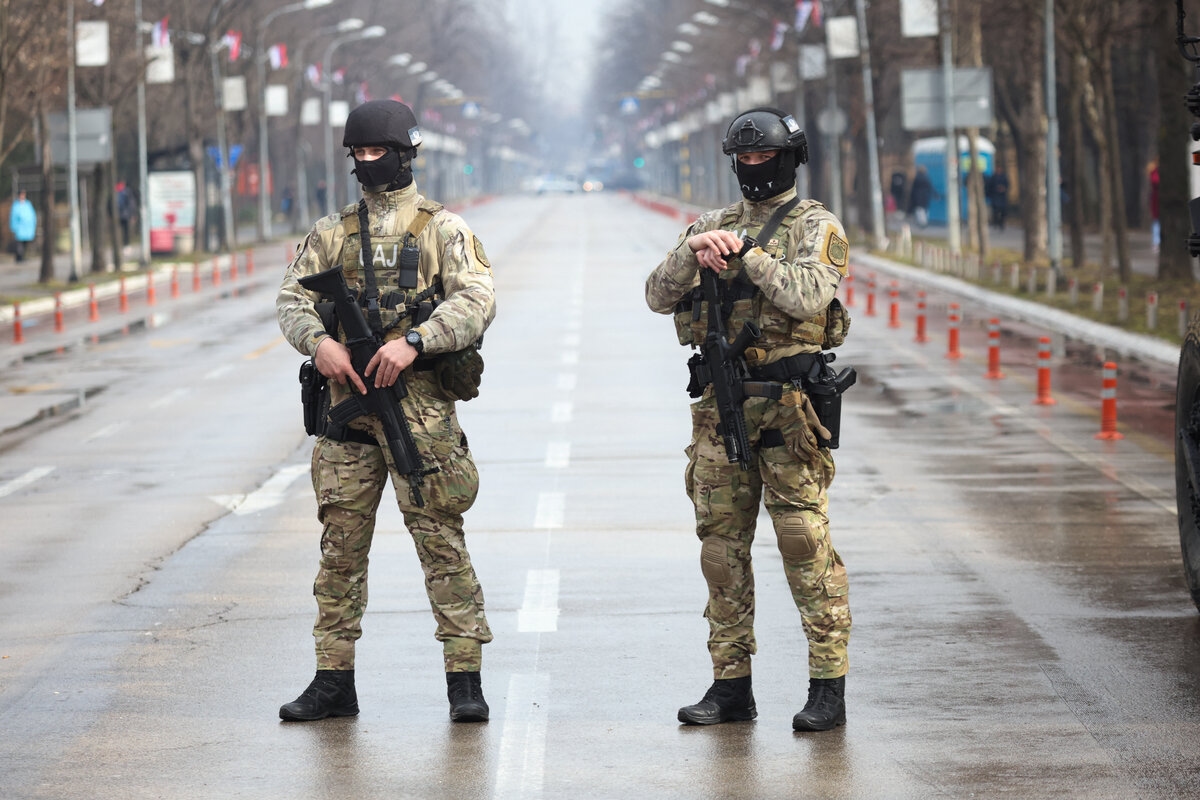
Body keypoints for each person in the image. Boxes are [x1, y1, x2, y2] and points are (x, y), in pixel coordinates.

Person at [276, 99, 495, 724]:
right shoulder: (332, 232)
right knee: (339, 548)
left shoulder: (443, 230)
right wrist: (319, 345)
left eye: (378, 152)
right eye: (360, 155)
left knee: (441, 544)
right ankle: (332, 680)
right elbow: (291, 299)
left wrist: (416, 341)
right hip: (348, 411)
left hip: (419, 412)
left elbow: (477, 300)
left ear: (405, 153)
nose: (369, 163)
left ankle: (465, 680)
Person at [645, 107, 853, 732]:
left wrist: (749, 257)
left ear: (789, 159)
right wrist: (693, 252)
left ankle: (827, 687)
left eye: (765, 158)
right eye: (745, 160)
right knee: (721, 552)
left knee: (803, 544)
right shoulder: (710, 224)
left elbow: (810, 295)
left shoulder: (818, 225)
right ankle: (730, 686)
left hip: (789, 414)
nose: (754, 169)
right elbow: (658, 295)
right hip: (719, 412)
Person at [9, 189, 36, 262]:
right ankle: (19, 257)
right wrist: (14, 227)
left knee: (25, 243)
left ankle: (22, 256)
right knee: (19, 244)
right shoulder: (16, 205)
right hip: (20, 228)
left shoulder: (28, 204)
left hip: (27, 228)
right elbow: (13, 217)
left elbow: (32, 215)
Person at [989, 165, 1010, 231]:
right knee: (996, 211)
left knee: (1003, 211)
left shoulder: (1004, 177)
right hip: (995, 196)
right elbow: (990, 186)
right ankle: (996, 223)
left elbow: (1007, 185)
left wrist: (1003, 189)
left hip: (1002, 197)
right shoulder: (993, 177)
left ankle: (1001, 223)